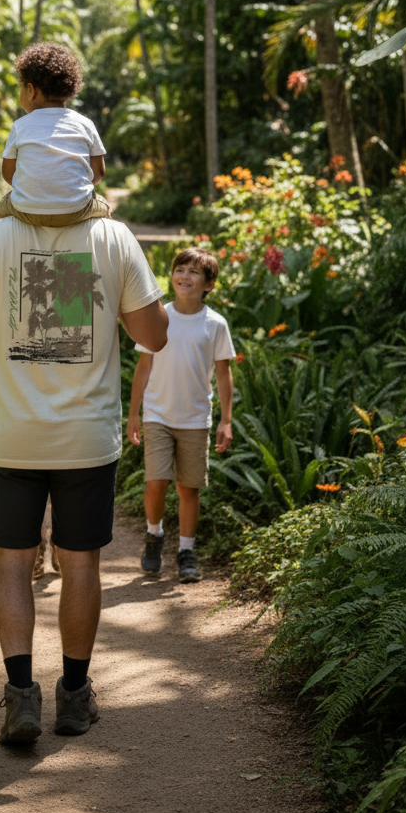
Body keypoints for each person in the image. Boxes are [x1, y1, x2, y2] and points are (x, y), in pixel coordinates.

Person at [0, 213, 168, 745]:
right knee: (81, 561)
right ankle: (74, 695)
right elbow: (154, 334)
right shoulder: (113, 238)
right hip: (84, 439)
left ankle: (21, 699)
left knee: (12, 562)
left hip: (11, 434)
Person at [127, 248, 235, 583]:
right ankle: (154, 534)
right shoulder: (159, 317)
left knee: (189, 488)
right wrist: (133, 414)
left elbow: (223, 374)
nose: (184, 276)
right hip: (157, 414)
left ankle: (187, 550)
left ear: (209, 284)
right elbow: (143, 369)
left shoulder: (215, 324)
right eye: (179, 269)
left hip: (195, 418)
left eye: (193, 272)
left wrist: (226, 420)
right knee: (156, 481)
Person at [0, 42, 112, 226]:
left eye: (21, 88)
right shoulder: (85, 124)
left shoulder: (20, 126)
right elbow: (98, 172)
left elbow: (8, 174)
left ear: (31, 90)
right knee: (104, 206)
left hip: (26, 211)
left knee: (0, 209)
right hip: (77, 210)